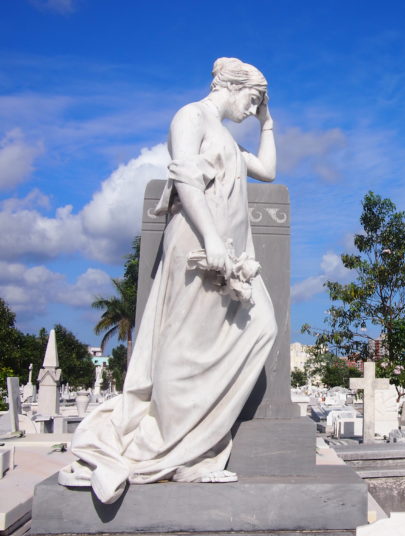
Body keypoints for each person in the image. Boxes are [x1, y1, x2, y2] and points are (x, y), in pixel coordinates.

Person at [58, 58, 278, 504]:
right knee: (184, 348)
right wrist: (212, 237)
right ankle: (163, 449)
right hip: (198, 246)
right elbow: (184, 176)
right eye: (252, 99)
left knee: (263, 326)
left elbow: (269, 171)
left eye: (257, 104)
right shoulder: (190, 115)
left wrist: (267, 122)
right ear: (233, 86)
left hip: (229, 255)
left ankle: (190, 442)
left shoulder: (231, 140)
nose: (250, 109)